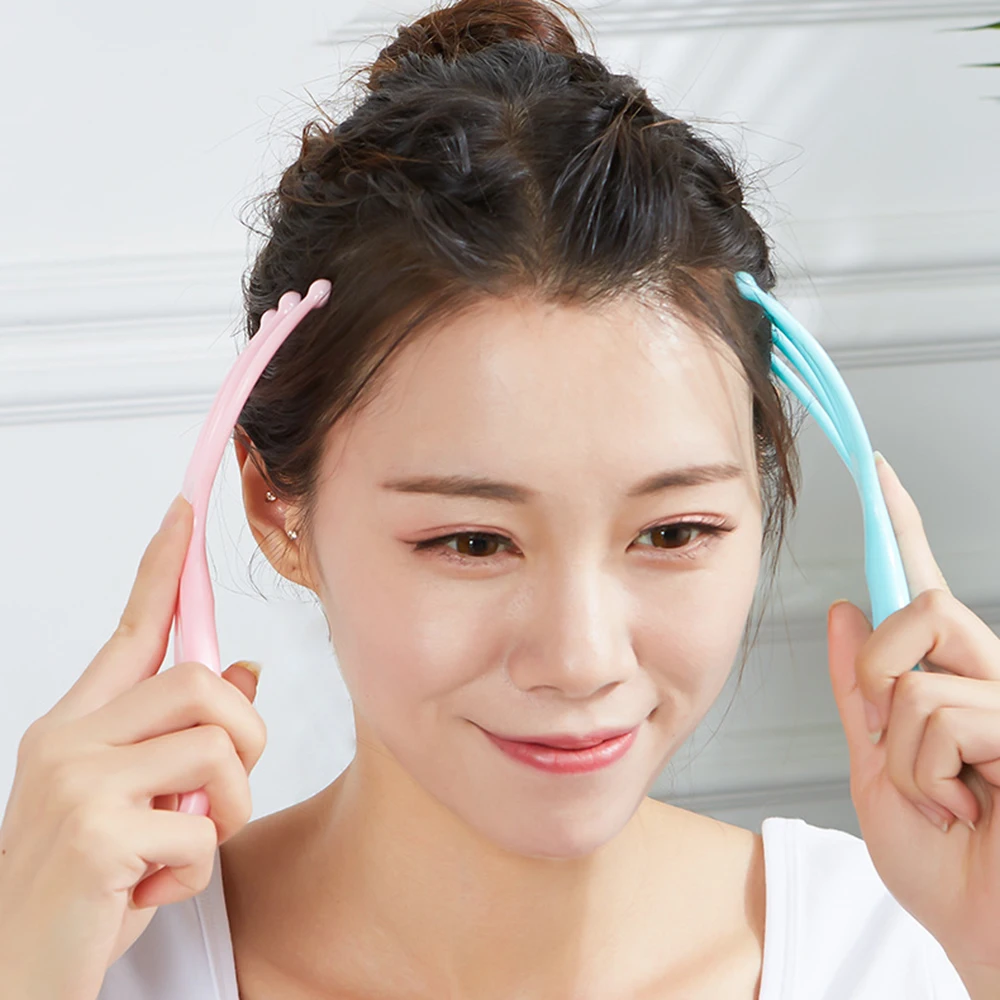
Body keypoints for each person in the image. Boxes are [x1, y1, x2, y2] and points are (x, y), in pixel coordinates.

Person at [2, 0, 998, 997]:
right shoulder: (86, 957)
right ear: (277, 509)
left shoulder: (908, 949)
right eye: (473, 542)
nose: (581, 660)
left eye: (672, 531)